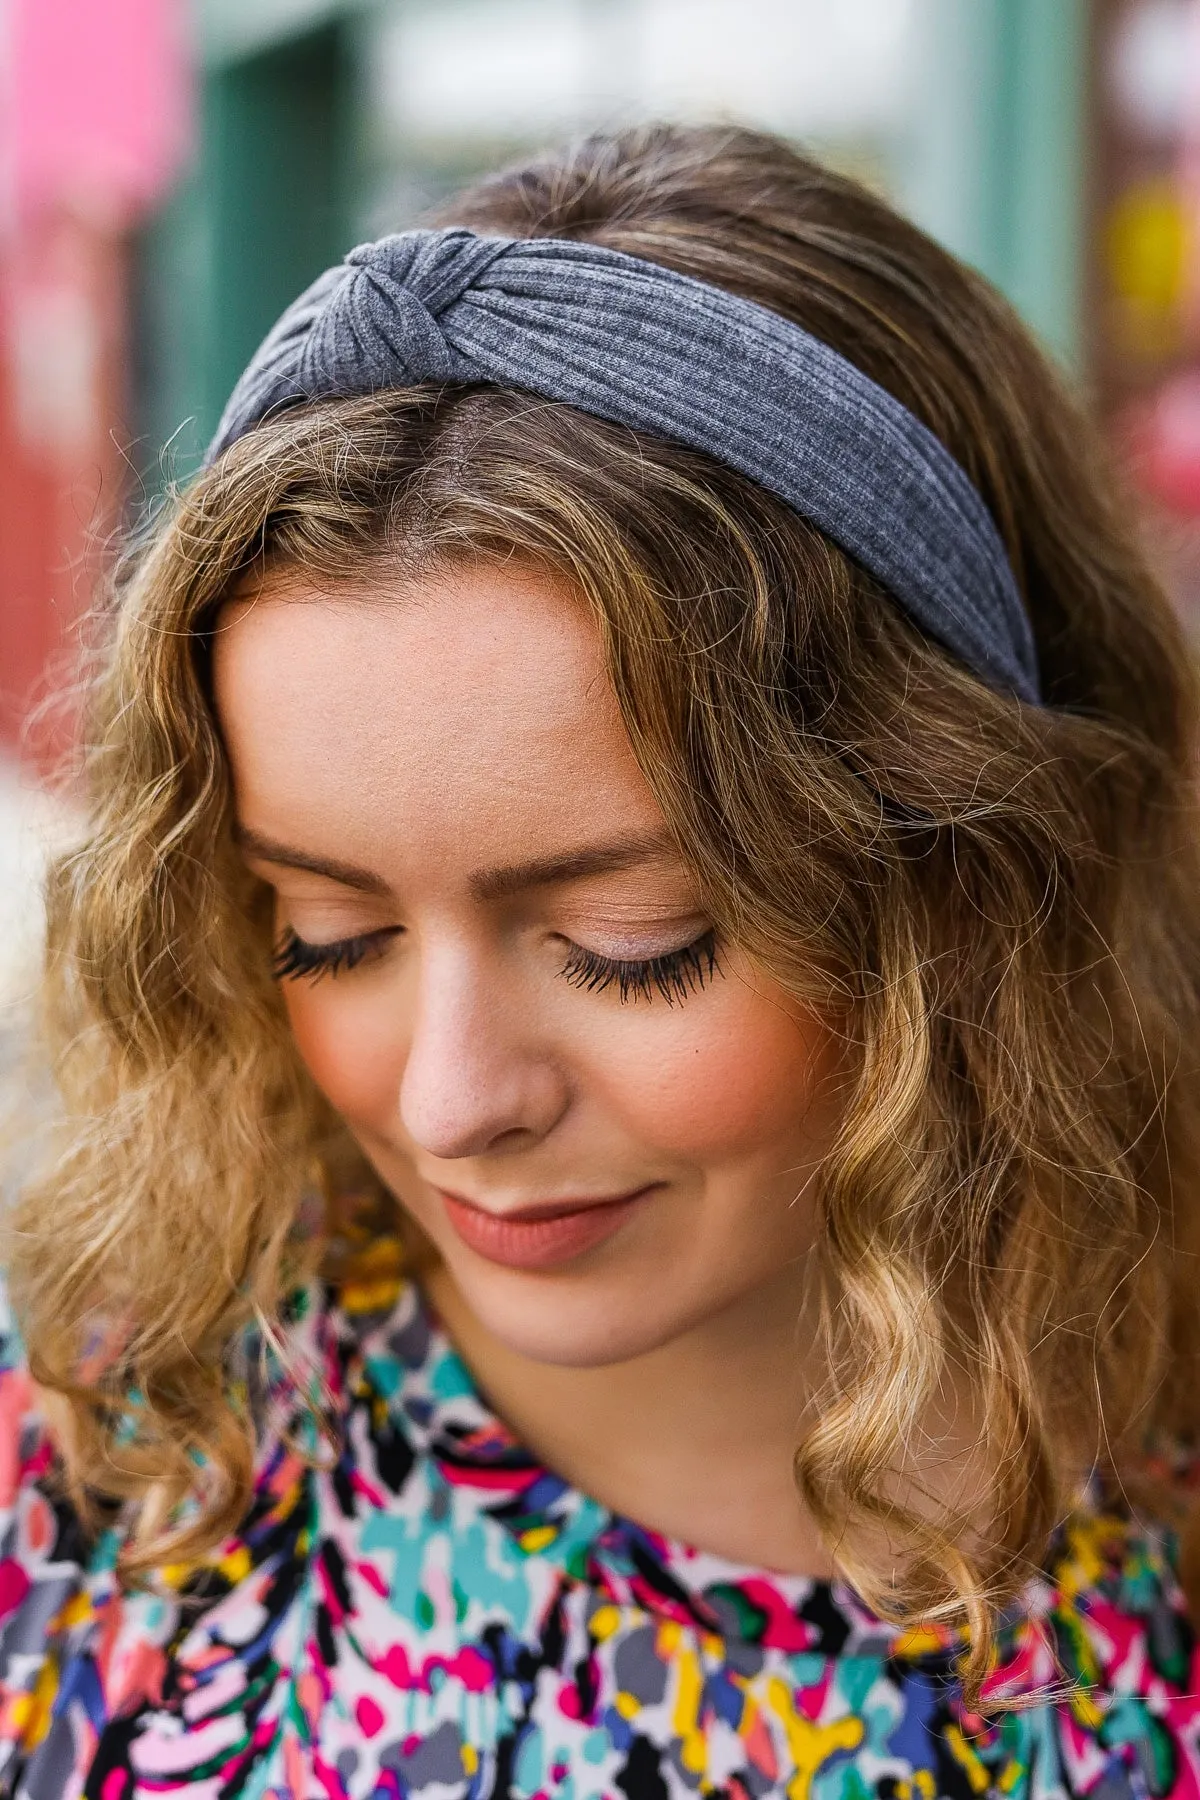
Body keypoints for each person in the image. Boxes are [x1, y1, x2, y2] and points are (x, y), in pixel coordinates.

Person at [1, 122, 1199, 1800]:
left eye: (633, 947)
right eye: (328, 933)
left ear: (973, 883)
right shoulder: (97, 1474)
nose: (449, 1101)